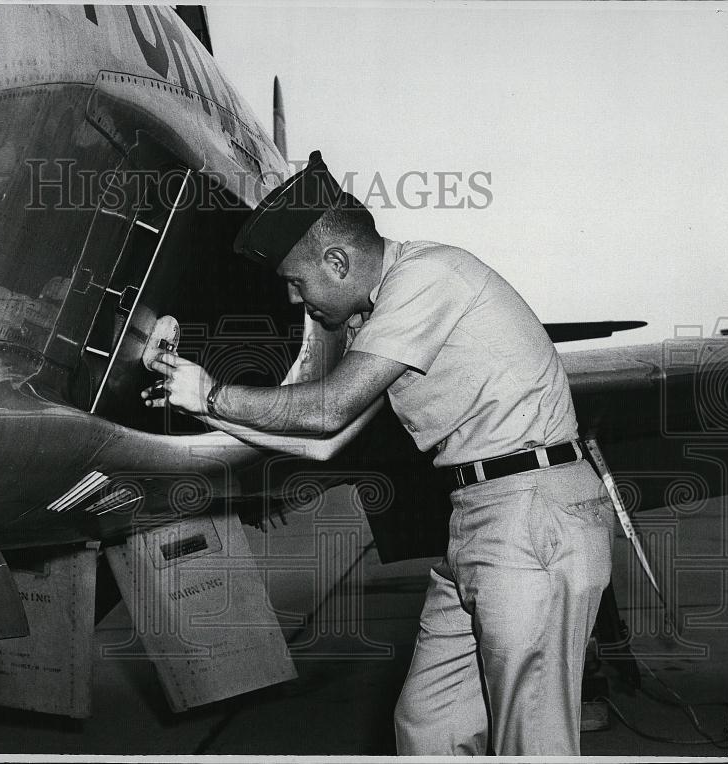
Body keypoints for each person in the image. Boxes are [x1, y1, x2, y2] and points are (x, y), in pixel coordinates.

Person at [141, 151, 614, 756]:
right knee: (428, 729)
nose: (294, 301)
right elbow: (325, 444)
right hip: (480, 518)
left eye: (295, 281)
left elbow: (326, 408)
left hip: (532, 514)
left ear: (337, 261)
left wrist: (214, 391)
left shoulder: (429, 276)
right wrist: (203, 408)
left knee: (533, 743)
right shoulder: (383, 318)